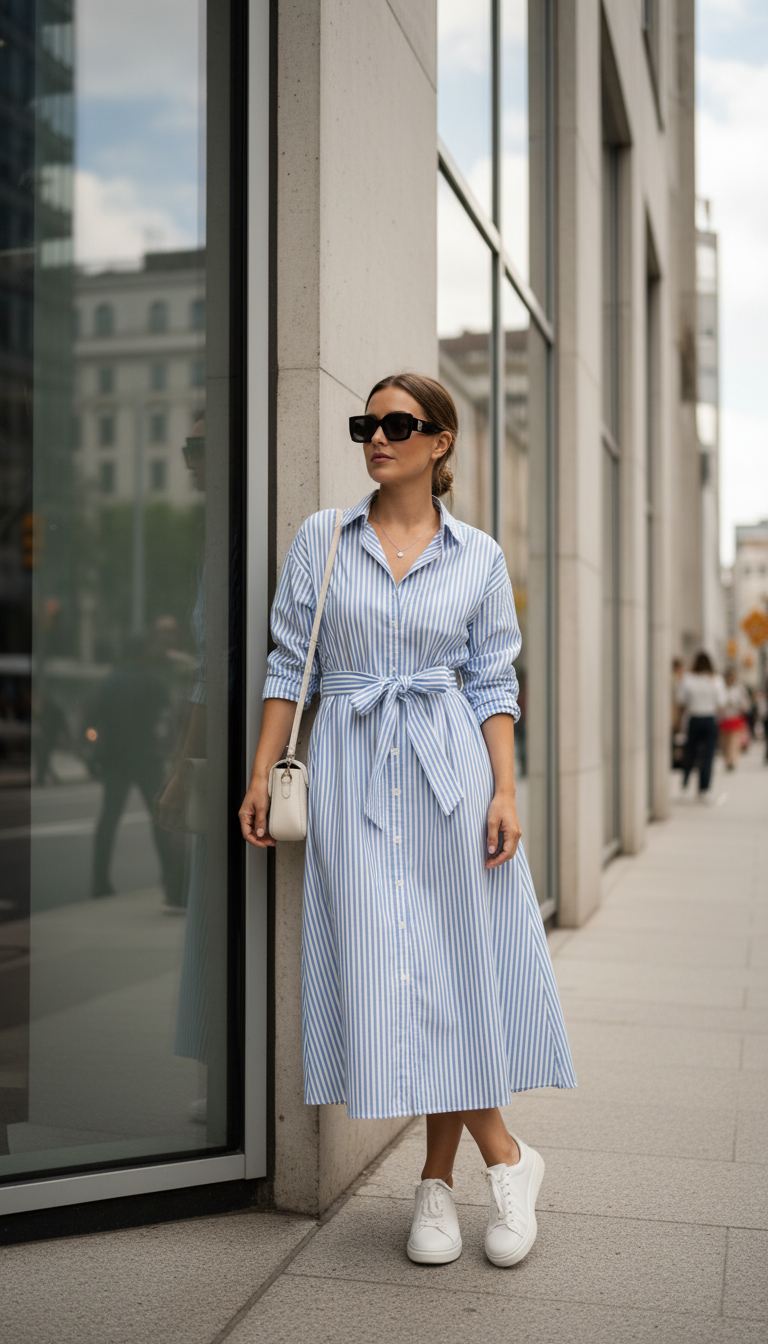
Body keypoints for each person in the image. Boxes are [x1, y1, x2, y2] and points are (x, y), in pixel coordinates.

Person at [239, 372, 576, 1269]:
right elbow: (287, 665)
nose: (376, 437)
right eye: (366, 422)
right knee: (402, 975)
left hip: (448, 773)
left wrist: (505, 791)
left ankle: (443, 1181)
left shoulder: (479, 556)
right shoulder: (323, 537)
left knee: (450, 967)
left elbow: (495, 684)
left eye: (397, 423)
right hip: (351, 772)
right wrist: (261, 775)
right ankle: (504, 1156)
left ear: (440, 442)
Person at [676, 651, 726, 802]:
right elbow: (721, 702)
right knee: (708, 756)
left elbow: (681, 700)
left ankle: (685, 784)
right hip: (710, 719)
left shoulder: (688, 679)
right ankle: (703, 789)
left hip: (694, 718)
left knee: (690, 753)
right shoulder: (715, 680)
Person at [718, 669, 750, 771]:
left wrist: (737, 704)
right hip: (724, 718)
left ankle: (732, 761)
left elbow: (745, 704)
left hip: (735, 717)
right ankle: (727, 758)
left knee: (734, 741)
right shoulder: (721, 689)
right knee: (724, 742)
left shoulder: (739, 689)